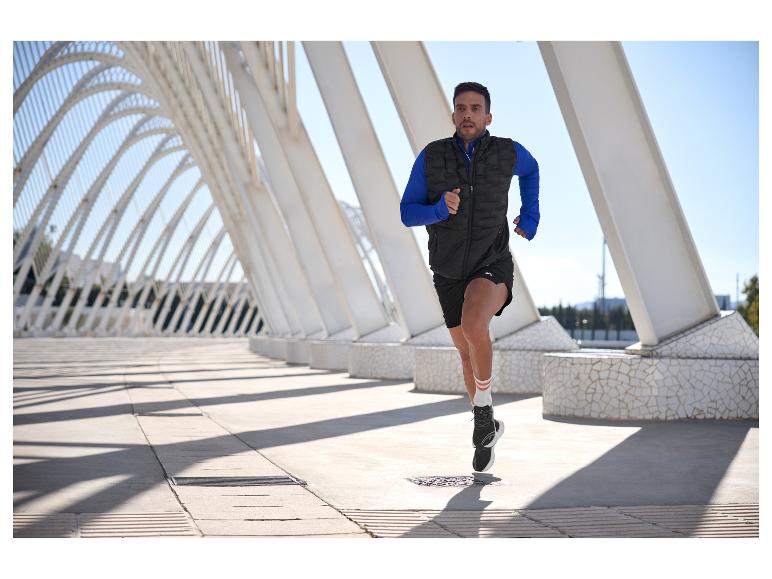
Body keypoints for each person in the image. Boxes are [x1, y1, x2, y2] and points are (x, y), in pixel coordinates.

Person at [400, 81, 540, 472]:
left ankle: (481, 413)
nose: (467, 115)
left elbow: (532, 171)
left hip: (491, 259)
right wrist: (439, 210)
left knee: (475, 323)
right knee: (465, 350)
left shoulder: (508, 153)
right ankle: (487, 418)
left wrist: (530, 214)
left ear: (488, 117)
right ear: (453, 115)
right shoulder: (432, 157)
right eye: (461, 108)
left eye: (475, 109)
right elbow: (407, 211)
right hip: (446, 268)